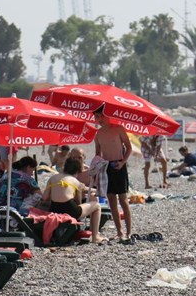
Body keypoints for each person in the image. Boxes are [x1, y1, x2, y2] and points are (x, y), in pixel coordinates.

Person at [41, 156, 108, 245]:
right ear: (77, 171)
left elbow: (45, 198)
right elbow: (78, 202)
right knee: (96, 206)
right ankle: (95, 236)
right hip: (70, 210)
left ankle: (91, 233)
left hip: (54, 209)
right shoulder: (75, 181)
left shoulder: (53, 178)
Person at [93, 105, 134, 242]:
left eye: (102, 116)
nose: (100, 119)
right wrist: (96, 169)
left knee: (123, 199)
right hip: (106, 167)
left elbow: (129, 147)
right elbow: (98, 153)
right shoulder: (98, 134)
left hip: (119, 165)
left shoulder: (118, 129)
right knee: (111, 200)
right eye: (97, 117)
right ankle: (119, 232)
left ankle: (129, 231)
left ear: (108, 116)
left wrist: (122, 162)